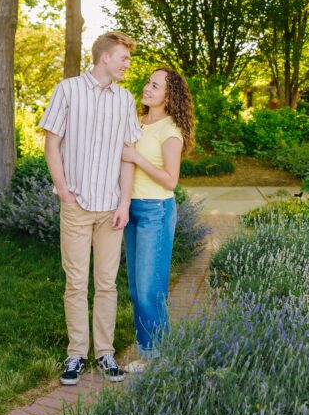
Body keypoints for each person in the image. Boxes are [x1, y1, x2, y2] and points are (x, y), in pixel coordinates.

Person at [39, 32, 142, 385]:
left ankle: (105, 354)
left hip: (110, 209)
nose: (127, 64)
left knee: (107, 284)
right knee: (76, 282)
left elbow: (128, 157)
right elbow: (51, 145)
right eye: (123, 58)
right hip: (77, 207)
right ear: (104, 58)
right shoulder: (67, 90)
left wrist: (124, 202)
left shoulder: (125, 100)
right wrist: (65, 193)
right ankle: (75, 354)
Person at [119, 67, 195, 372]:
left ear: (169, 95)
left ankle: (156, 356)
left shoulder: (170, 131)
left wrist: (137, 158)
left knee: (151, 288)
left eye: (156, 85)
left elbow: (170, 180)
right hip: (132, 210)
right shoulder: (137, 124)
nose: (147, 88)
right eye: (148, 82)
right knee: (138, 288)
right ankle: (151, 351)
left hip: (156, 211)